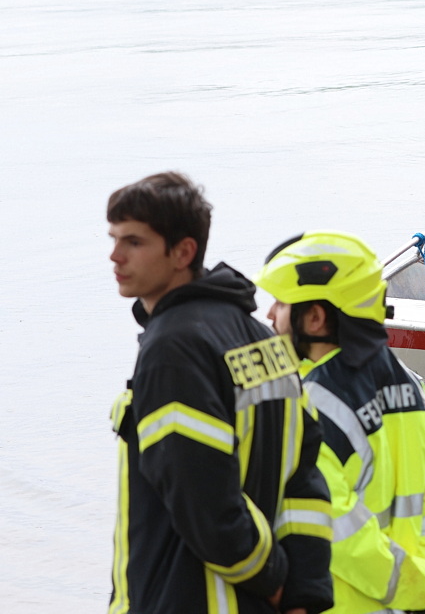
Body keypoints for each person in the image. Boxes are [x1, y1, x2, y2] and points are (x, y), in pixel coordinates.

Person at [106, 172, 333, 614]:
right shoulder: (261, 337)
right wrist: (304, 591)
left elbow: (204, 500)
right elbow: (305, 482)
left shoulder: (172, 348)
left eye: (134, 242)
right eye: (114, 238)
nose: (115, 256)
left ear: (183, 252)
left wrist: (273, 583)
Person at [257, 232, 425, 614]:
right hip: (409, 598)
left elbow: (334, 527)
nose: (270, 315)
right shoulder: (408, 382)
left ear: (315, 318)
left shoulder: (309, 404)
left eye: (281, 303)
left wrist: (417, 587)